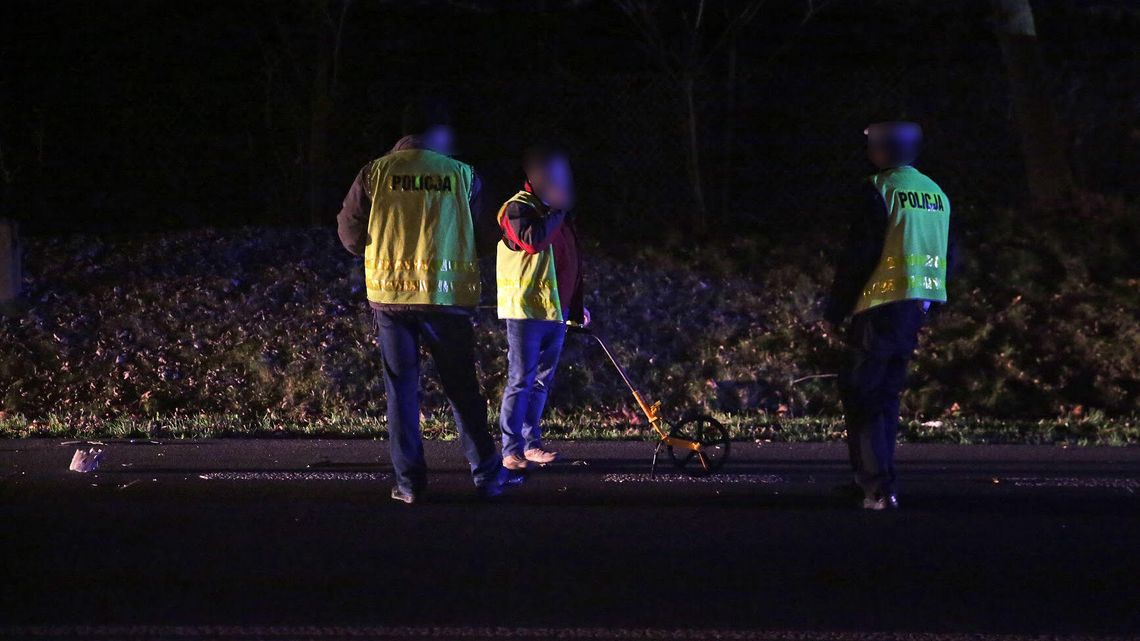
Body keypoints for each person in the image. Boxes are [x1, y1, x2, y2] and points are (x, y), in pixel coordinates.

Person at [336, 99, 507, 503]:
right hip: (446, 298)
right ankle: (487, 475)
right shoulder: (462, 175)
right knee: (462, 388)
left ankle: (410, 484)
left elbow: (348, 231)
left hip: (391, 298)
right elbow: (487, 234)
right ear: (437, 132)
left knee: (402, 392)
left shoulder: (374, 173)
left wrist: (375, 250)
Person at [824, 121, 956, 511]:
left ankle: (876, 487)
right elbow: (951, 254)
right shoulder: (936, 193)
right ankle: (872, 478)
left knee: (861, 392)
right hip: (916, 307)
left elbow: (858, 256)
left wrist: (835, 309)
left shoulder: (880, 190)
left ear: (882, 150)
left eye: (873, 146)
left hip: (879, 305)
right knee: (884, 394)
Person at [495, 145, 588, 471]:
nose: (563, 182)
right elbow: (532, 241)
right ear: (539, 177)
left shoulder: (558, 214)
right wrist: (558, 212)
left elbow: (570, 263)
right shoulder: (517, 209)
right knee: (521, 379)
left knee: (540, 382)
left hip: (554, 312)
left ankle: (531, 444)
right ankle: (510, 450)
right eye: (556, 175)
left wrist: (576, 307)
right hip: (525, 311)